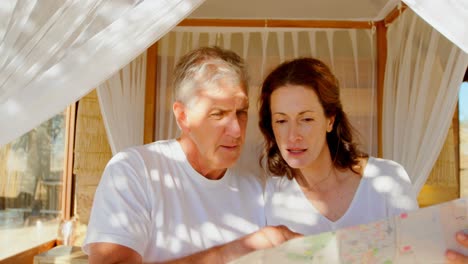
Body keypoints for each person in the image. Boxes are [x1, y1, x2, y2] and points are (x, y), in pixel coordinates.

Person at [83, 46, 300, 264]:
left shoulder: (256, 190)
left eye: (241, 112)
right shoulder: (133, 171)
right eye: (218, 114)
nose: (236, 129)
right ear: (183, 116)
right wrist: (237, 250)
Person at [257, 57, 468, 263]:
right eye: (282, 120)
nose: (293, 135)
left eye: (306, 119)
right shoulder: (272, 194)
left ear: (330, 119)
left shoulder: (387, 179)